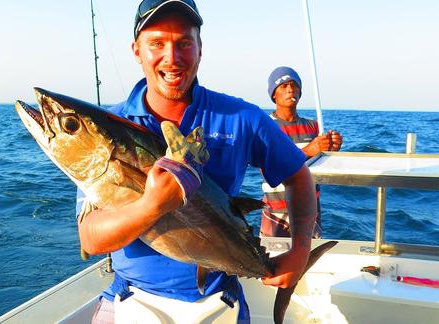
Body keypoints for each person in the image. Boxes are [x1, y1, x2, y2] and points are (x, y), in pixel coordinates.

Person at [77, 1, 318, 323]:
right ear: (137, 50)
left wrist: (300, 250)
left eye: (184, 43)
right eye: (157, 43)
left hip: (218, 295)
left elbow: (298, 177)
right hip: (132, 294)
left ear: (200, 49)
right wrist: (152, 205)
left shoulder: (241, 117)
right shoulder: (108, 128)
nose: (172, 57)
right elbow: (92, 239)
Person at [260, 66, 343, 238]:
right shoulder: (265, 126)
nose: (290, 89)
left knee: (310, 261)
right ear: (273, 94)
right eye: (283, 86)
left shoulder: (313, 126)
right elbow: (269, 168)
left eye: (294, 84)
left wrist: (331, 149)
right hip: (277, 211)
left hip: (310, 209)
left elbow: (320, 163)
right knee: (271, 262)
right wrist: (309, 150)